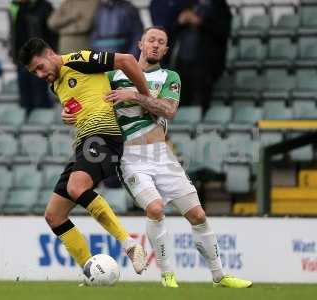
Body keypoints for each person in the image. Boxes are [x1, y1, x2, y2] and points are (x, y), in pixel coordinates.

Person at [62, 27, 252, 288]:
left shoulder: (169, 76)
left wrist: (135, 95)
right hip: (130, 156)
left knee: (198, 215)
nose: (155, 45)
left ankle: (220, 275)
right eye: (151, 40)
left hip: (162, 155)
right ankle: (167, 275)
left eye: (161, 42)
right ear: (140, 43)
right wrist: (71, 113)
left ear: (165, 50)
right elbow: (87, 99)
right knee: (155, 208)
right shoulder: (112, 74)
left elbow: (169, 110)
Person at [18, 38, 151, 274]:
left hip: (104, 138)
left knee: (76, 187)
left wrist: (145, 97)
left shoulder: (80, 60)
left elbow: (127, 61)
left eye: (39, 67)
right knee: (54, 216)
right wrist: (67, 115)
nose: (39, 74)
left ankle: (130, 244)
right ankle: (91, 271)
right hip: (84, 144)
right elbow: (85, 97)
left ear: (50, 54)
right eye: (33, 72)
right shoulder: (55, 84)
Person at [174, 0, 231, 111]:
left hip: (206, 63)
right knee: (181, 102)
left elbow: (223, 32)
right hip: (184, 61)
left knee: (201, 102)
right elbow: (174, 30)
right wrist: (179, 21)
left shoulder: (220, 6)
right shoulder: (189, 4)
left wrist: (199, 22)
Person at [9, 0, 59, 113]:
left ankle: (42, 123)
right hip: (22, 59)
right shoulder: (14, 6)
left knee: (40, 95)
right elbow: (13, 33)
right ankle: (29, 125)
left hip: (39, 58)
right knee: (25, 97)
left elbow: (52, 34)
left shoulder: (44, 7)